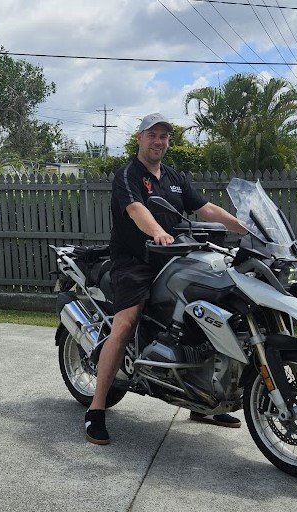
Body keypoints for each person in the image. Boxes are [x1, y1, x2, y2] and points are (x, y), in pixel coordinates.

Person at [84, 113, 248, 446]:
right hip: (135, 262)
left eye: (164, 136)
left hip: (173, 257)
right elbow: (136, 210)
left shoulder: (174, 177)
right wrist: (158, 232)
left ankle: (203, 401)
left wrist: (245, 228)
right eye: (153, 135)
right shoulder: (128, 174)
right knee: (125, 323)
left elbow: (206, 208)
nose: (159, 141)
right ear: (139, 138)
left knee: (209, 314)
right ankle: (97, 408)